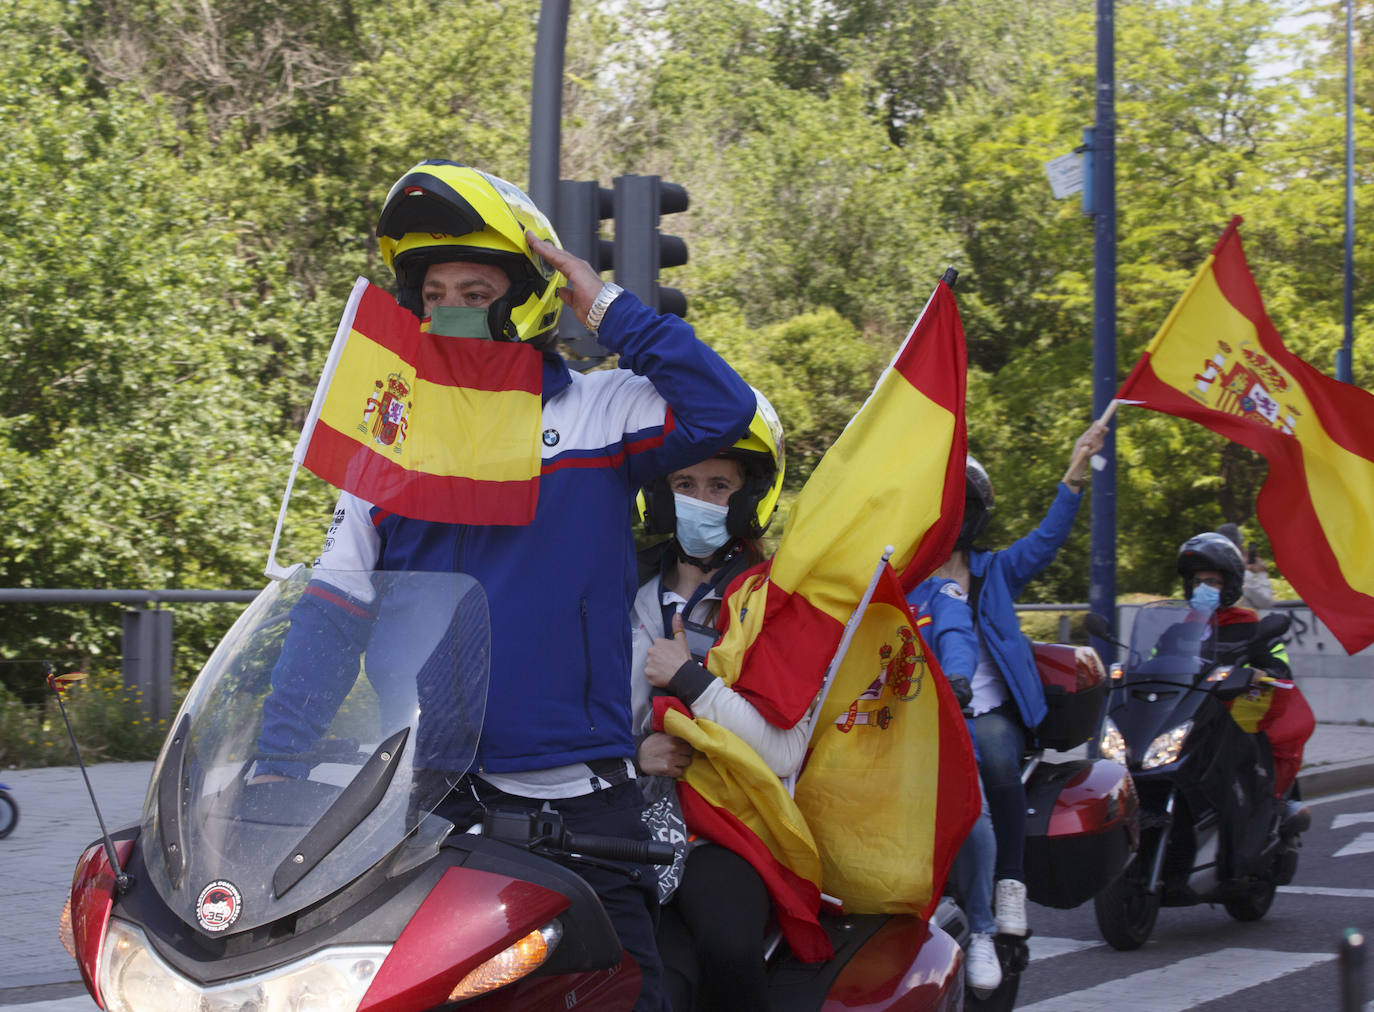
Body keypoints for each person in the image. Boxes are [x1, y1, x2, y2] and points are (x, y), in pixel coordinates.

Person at [257, 160, 756, 1012]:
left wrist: (602, 305)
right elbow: (332, 613)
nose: (449, 300)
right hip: (431, 794)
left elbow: (720, 410)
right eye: (435, 286)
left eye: (475, 284)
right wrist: (274, 769)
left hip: (586, 801)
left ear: (522, 298)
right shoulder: (387, 440)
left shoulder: (601, 410)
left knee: (631, 999)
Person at [627, 391, 804, 1012]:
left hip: (727, 830)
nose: (700, 499)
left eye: (719, 485)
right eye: (684, 482)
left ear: (750, 496)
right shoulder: (624, 592)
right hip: (618, 820)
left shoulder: (774, 602)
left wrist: (691, 682)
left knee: (727, 949)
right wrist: (636, 751)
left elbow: (785, 751)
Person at [928, 421, 1106, 941]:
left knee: (999, 761)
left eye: (963, 506)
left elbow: (1048, 538)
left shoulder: (996, 570)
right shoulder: (907, 577)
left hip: (987, 710)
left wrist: (1074, 474)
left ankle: (1010, 880)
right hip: (921, 712)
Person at [1175, 532, 1313, 831]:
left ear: (1229, 584)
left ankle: (1264, 816)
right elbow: (1154, 665)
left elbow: (1279, 666)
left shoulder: (1250, 626)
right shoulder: (1178, 631)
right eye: (1197, 582)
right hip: (1186, 722)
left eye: (1211, 582)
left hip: (1234, 722)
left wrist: (1264, 674)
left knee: (1253, 762)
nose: (1203, 589)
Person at [906, 576, 1001, 995]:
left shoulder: (938, 591)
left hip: (940, 731)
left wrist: (958, 676)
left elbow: (956, 634)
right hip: (871, 739)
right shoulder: (860, 585)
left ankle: (982, 930)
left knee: (972, 814)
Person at [1216, 522, 1276, 610]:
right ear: (1240, 548)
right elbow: (1266, 603)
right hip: (1240, 622)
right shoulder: (1244, 577)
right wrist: (1262, 574)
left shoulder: (1209, 573)